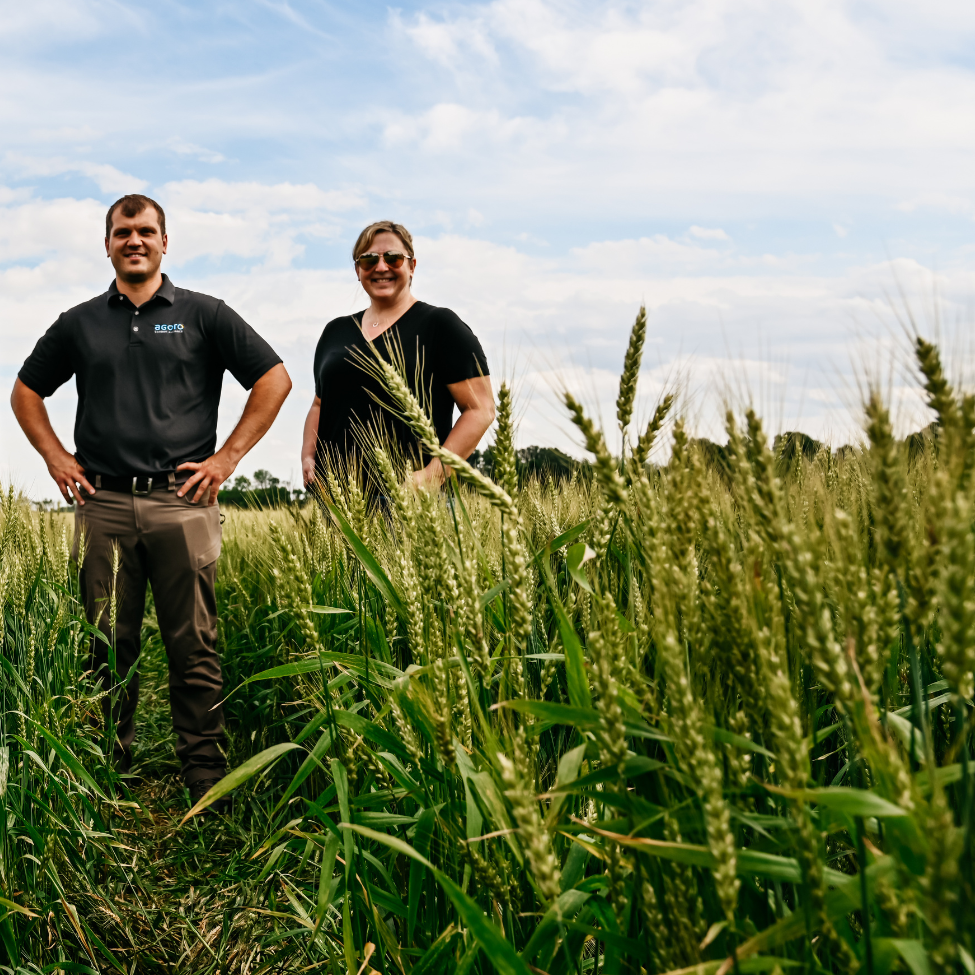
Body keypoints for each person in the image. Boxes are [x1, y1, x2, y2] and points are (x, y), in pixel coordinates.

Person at [11, 193, 292, 809]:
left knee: (193, 643)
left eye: (144, 231)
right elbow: (26, 391)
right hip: (103, 504)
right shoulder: (79, 322)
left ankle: (204, 774)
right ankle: (106, 767)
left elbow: (274, 379)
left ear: (166, 242)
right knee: (107, 644)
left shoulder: (203, 314)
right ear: (106, 244)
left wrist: (227, 459)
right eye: (121, 232)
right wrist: (56, 458)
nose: (133, 240)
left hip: (182, 504)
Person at [301, 220, 495, 490]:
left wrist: (431, 476)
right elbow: (320, 405)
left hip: (412, 503)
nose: (381, 267)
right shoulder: (335, 331)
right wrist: (308, 455)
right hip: (337, 501)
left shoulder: (440, 325)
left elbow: (481, 409)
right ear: (358, 270)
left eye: (393, 258)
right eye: (368, 260)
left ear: (412, 266)